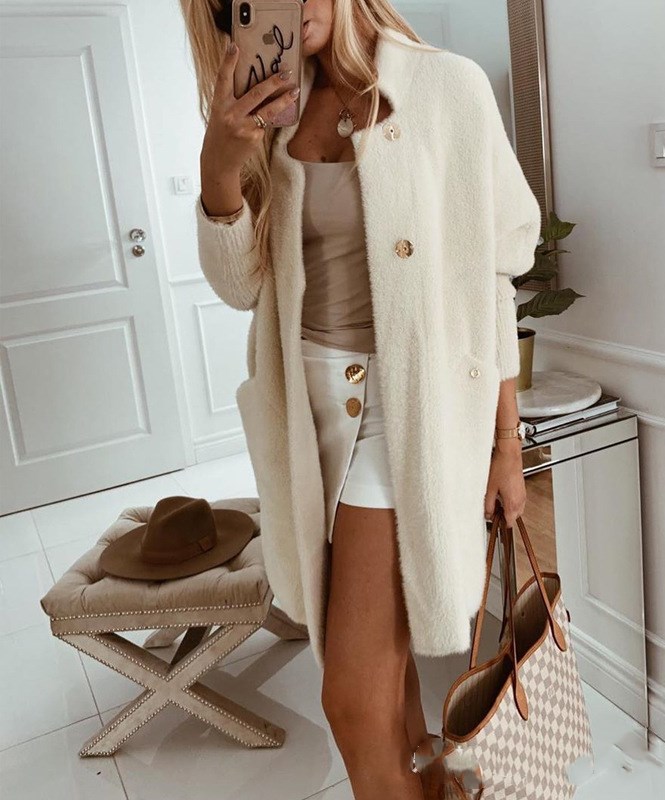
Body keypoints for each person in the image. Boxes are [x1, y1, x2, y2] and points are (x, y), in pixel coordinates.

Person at [181, 2, 539, 797]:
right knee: (384, 678)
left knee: (348, 697)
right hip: (305, 421)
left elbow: (495, 272)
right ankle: (435, 788)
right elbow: (241, 287)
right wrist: (220, 170)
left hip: (399, 412)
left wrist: (507, 444)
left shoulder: (447, 87)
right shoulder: (266, 111)